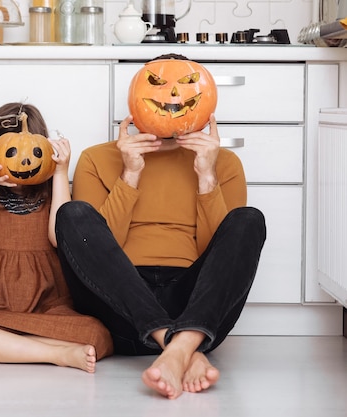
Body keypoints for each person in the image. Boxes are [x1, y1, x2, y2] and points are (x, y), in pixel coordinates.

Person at [55, 56, 266, 399]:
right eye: (158, 84)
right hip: (120, 305)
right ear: (137, 95)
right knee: (72, 213)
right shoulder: (97, 158)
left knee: (248, 219)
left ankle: (179, 345)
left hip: (194, 304)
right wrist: (131, 174)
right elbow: (99, 251)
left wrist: (206, 176)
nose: (172, 95)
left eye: (185, 86)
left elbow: (219, 259)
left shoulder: (224, 163)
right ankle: (181, 347)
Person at [0, 103, 113, 373]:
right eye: (11, 151)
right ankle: (55, 353)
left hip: (46, 308)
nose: (22, 161)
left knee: (100, 336)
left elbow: (56, 239)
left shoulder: (53, 194)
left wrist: (60, 173)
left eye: (33, 152)